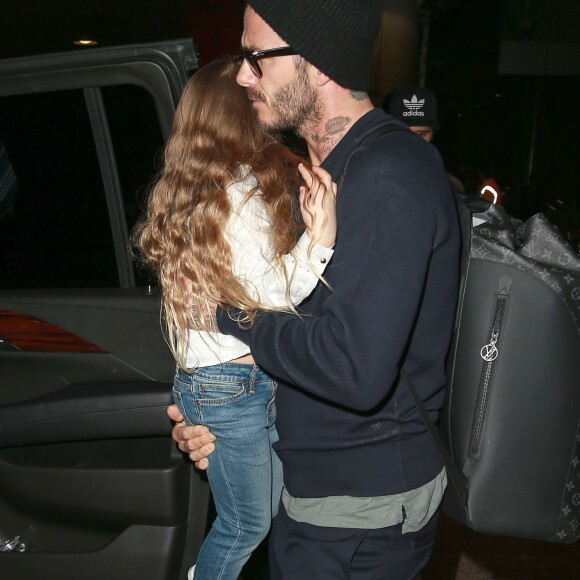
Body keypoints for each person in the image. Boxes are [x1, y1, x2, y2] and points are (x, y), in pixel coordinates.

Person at [169, 2, 461, 578]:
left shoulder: (389, 175)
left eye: (256, 58)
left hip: (360, 513)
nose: (244, 76)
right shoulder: (314, 176)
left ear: (319, 64)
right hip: (313, 488)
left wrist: (232, 317)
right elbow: (297, 325)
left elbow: (353, 366)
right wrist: (219, 413)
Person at [134, 58, 337, 580]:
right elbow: (269, 295)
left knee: (258, 514)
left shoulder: (184, 191)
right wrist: (319, 242)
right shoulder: (240, 190)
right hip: (234, 383)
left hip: (211, 380)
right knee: (248, 522)